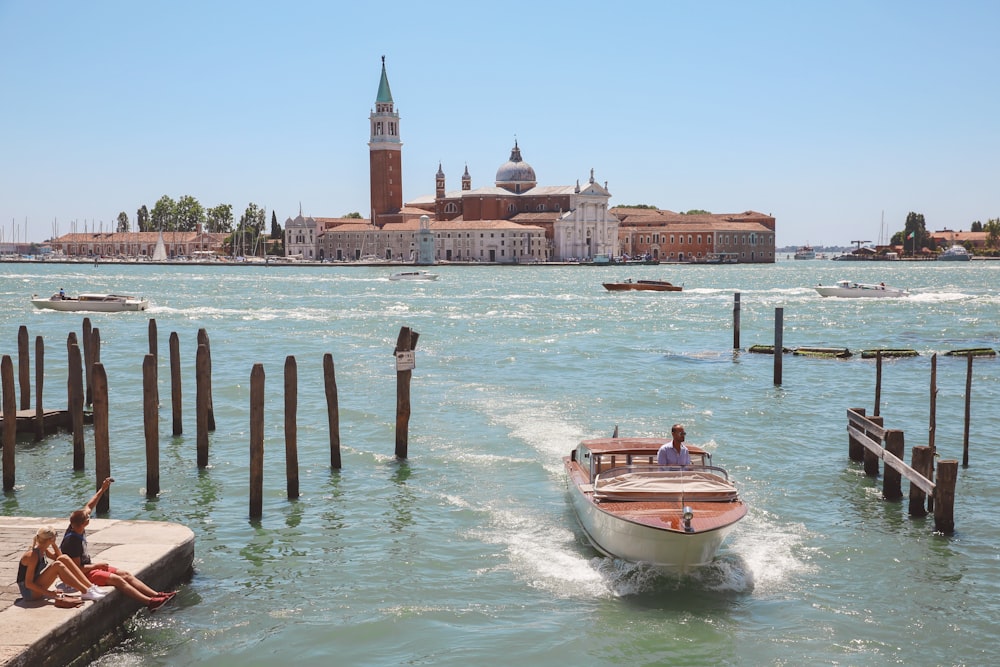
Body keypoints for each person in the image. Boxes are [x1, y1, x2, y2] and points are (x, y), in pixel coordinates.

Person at [61, 477, 175, 611]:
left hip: (89, 568)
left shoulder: (75, 524)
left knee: (125, 574)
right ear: (83, 524)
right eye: (88, 518)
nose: (89, 516)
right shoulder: (72, 542)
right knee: (117, 580)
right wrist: (96, 566)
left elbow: (89, 506)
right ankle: (149, 602)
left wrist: (102, 489)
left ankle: (157, 595)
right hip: (81, 575)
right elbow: (77, 570)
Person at [17, 526, 106, 602]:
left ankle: (90, 587)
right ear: (50, 539)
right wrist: (50, 593)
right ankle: (85, 591)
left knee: (64, 558)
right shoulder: (32, 555)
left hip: (36, 585)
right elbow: (28, 584)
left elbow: (59, 557)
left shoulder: (42, 549)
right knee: (57, 565)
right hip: (29, 592)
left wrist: (53, 544)